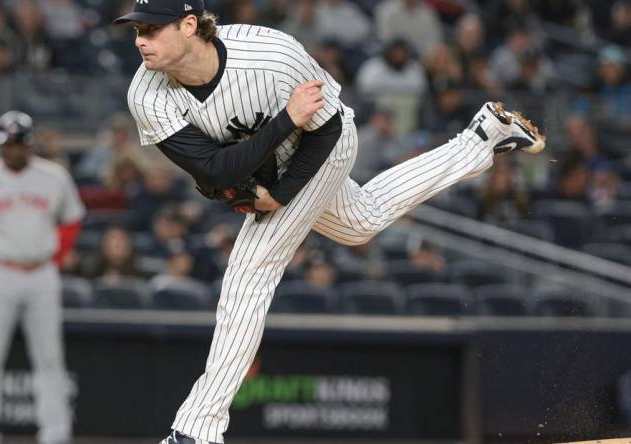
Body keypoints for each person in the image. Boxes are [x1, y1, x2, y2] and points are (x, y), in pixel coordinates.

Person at [114, 2, 546, 443]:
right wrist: (279, 131)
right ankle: (481, 138)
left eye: (151, 28)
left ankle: (197, 429)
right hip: (265, 163)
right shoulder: (145, 93)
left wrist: (279, 196)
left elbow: (327, 129)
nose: (140, 40)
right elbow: (212, 171)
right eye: (136, 29)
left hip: (323, 143)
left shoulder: (271, 55)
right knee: (361, 220)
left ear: (189, 25)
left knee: (249, 274)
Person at [0, 110, 84, 444]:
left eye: (19, 143)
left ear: (29, 144)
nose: (13, 149)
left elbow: (72, 218)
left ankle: (55, 433)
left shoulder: (54, 177)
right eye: (8, 143)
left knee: (50, 357)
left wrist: (56, 256)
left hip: (41, 274)